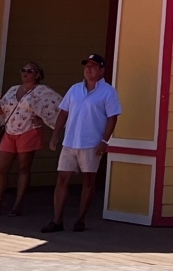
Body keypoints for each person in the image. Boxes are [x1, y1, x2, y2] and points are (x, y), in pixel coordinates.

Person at [46, 53, 122, 233]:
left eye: (93, 66)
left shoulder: (108, 92)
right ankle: (57, 220)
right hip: (70, 141)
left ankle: (80, 219)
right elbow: (63, 113)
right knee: (62, 178)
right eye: (87, 66)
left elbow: (112, 118)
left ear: (101, 70)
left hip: (91, 143)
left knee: (88, 180)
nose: (88, 70)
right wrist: (56, 134)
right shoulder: (74, 89)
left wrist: (104, 140)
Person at [0, 62, 62, 217]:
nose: (25, 73)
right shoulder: (13, 89)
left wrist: (43, 118)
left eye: (30, 71)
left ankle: (17, 205)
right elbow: (1, 110)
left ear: (37, 74)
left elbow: (60, 106)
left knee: (24, 168)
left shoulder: (42, 91)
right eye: (23, 70)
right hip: (10, 132)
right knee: (0, 168)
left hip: (29, 131)